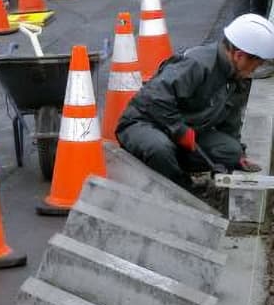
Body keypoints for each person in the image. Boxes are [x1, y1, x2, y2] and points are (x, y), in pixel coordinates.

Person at [116, 13, 272, 191]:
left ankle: (171, 166)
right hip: (144, 123)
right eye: (256, 64)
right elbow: (153, 98)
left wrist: (239, 154)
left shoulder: (235, 76)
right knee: (159, 149)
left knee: (230, 152)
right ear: (239, 55)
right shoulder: (197, 64)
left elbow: (231, 121)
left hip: (184, 131)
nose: (256, 69)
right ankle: (180, 191)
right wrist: (179, 130)